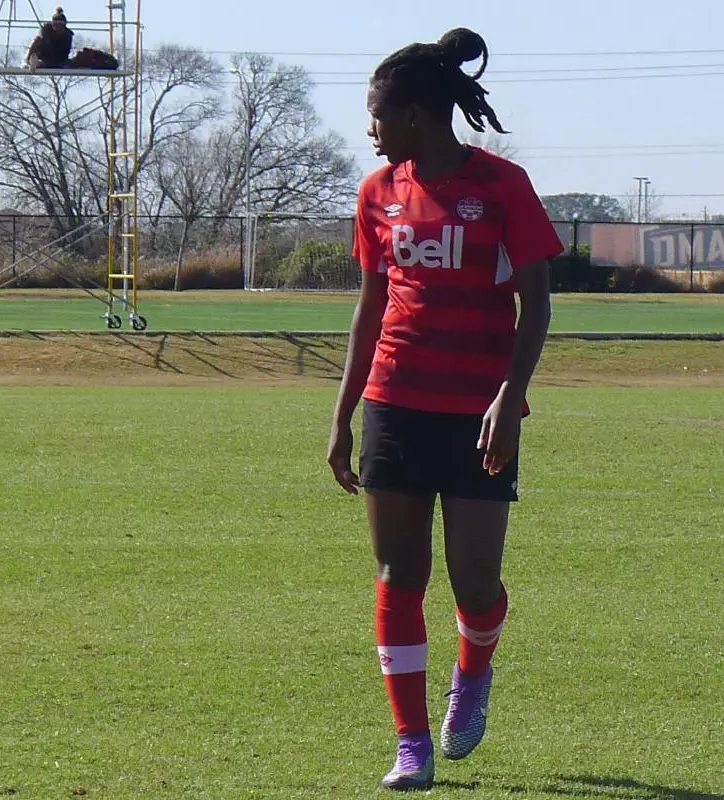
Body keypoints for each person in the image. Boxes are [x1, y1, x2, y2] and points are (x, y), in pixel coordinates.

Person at [326, 27, 562, 792]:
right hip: (394, 403)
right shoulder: (376, 193)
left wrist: (509, 397)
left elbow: (537, 305)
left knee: (475, 584)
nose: (370, 128)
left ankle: (473, 670)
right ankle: (411, 744)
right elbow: (368, 311)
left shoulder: (502, 185)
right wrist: (342, 414)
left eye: (377, 114)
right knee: (399, 573)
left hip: (479, 412)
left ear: (416, 115)